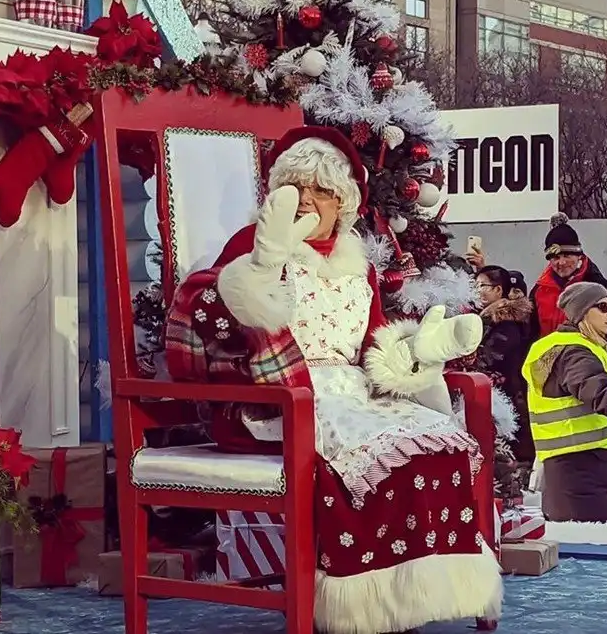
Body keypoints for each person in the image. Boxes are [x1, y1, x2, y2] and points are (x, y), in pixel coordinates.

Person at [164, 126, 502, 633]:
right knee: (372, 461)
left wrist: (413, 354)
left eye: (321, 190)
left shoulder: (357, 262)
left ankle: (406, 598)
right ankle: (357, 602)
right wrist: (258, 273)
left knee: (438, 445)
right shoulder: (255, 246)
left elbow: (373, 343)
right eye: (294, 187)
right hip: (278, 398)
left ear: (342, 201)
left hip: (354, 394)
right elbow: (211, 320)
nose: (306, 200)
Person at [521, 282, 607, 523]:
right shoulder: (574, 352)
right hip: (580, 477)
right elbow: (603, 398)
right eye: (602, 307)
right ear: (581, 312)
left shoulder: (585, 348)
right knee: (604, 541)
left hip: (586, 472)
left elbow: (599, 417)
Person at [529, 213, 607, 365]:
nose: (561, 262)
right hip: (548, 368)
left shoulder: (600, 289)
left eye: (567, 255)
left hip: (587, 366)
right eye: (555, 258)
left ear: (579, 255)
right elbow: (531, 335)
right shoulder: (539, 291)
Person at [475, 265, 534, 463]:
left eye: (482, 285)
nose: (477, 290)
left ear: (498, 290)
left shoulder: (507, 322)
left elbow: (491, 357)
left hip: (506, 398)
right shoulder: (485, 318)